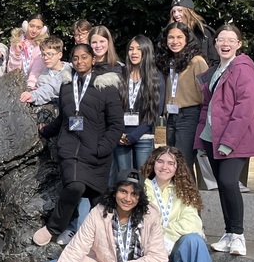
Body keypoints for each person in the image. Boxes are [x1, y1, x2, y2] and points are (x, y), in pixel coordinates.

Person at [24, 169, 172, 262]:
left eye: (134, 194)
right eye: (123, 191)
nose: (128, 198)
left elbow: (158, 257)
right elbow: (75, 250)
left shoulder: (150, 215)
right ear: (114, 192)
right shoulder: (98, 213)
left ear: (140, 197)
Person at [35, 44, 124, 247]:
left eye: (84, 57)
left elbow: (116, 124)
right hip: (70, 149)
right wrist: (45, 130)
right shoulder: (66, 85)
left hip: (96, 153)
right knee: (75, 186)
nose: (80, 62)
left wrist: (102, 148)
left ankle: (106, 242)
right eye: (75, 58)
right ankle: (53, 228)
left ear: (93, 59)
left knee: (98, 200)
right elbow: (64, 118)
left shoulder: (106, 87)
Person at [197, 24, 254, 256]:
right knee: (223, 187)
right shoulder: (215, 70)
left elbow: (244, 109)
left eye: (230, 40)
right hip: (212, 138)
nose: (225, 44)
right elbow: (207, 108)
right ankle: (228, 233)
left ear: (239, 44)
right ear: (215, 44)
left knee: (227, 182)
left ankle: (238, 236)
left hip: (237, 139)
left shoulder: (243, 69)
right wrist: (201, 141)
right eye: (221, 39)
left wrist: (228, 143)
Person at [142, 146, 222, 262]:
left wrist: (167, 237)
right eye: (160, 161)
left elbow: (193, 222)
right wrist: (159, 248)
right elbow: (142, 226)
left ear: (177, 168)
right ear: (152, 163)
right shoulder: (142, 188)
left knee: (194, 240)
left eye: (171, 163)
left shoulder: (183, 189)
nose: (165, 167)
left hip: (172, 247)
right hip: (148, 252)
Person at [157, 22, 209, 181]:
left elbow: (205, 93)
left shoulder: (197, 61)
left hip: (190, 115)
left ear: (187, 39)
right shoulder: (169, 62)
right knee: (172, 164)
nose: (175, 41)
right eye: (171, 37)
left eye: (179, 37)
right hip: (171, 116)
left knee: (183, 164)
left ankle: (192, 204)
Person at [115, 35, 164, 172]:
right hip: (121, 137)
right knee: (124, 180)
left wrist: (134, 135)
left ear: (146, 51)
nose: (134, 53)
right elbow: (114, 108)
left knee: (143, 180)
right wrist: (119, 133)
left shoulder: (156, 77)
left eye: (138, 49)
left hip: (144, 136)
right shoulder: (121, 74)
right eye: (131, 49)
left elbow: (155, 112)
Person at [20, 36, 69, 106]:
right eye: (43, 55)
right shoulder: (42, 79)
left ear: (60, 55)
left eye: (49, 54)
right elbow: (46, 93)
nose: (46, 58)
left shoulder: (71, 68)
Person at [169, 0, 217, 65]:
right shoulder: (169, 33)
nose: (176, 15)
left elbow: (214, 59)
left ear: (189, 12)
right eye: (174, 12)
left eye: (180, 11)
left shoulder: (203, 32)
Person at [7, 15, 47, 89]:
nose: (34, 30)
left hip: (33, 86)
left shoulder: (42, 45)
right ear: (25, 25)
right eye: (32, 26)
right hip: (15, 83)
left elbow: (37, 71)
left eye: (38, 28)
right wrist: (17, 54)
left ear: (43, 30)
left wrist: (30, 86)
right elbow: (11, 70)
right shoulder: (15, 41)